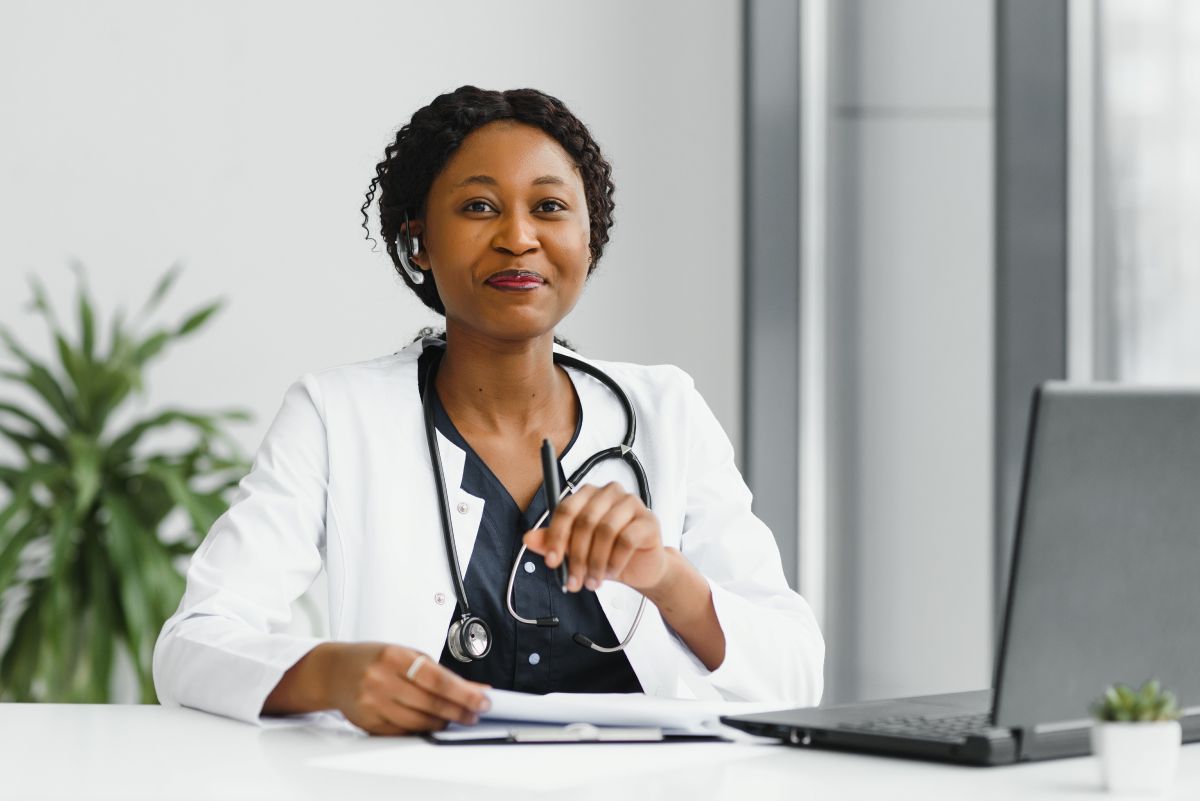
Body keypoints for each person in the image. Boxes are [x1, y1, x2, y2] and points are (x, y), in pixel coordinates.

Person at [153, 86, 824, 735]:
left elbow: (796, 675)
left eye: (551, 207)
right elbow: (193, 644)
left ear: (590, 240)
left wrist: (667, 578)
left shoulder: (666, 410)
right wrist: (329, 673)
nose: (518, 237)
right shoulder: (337, 415)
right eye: (478, 206)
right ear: (419, 241)